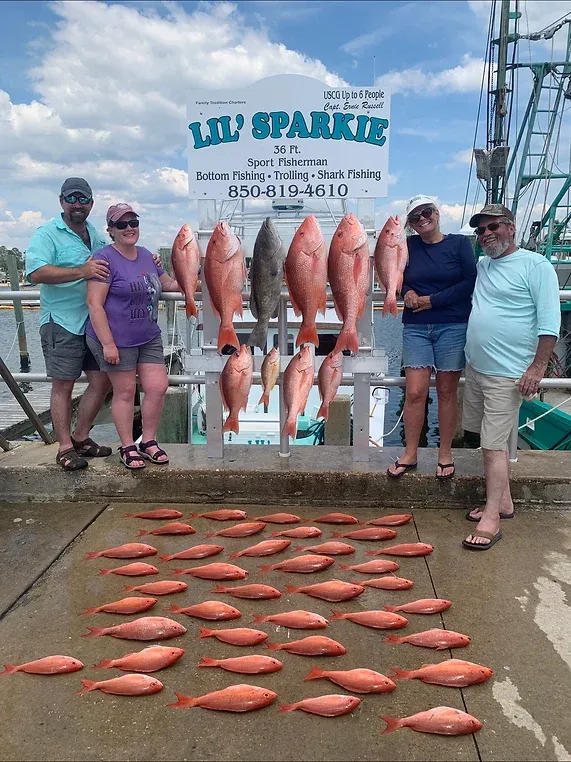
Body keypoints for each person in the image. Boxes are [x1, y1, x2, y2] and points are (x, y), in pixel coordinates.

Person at [462, 203, 561, 550]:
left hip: (508, 374)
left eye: (494, 227)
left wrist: (537, 367)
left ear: (512, 228)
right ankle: (503, 502)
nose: (487, 234)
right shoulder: (483, 264)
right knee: (487, 440)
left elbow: (550, 322)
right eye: (481, 230)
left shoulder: (536, 265)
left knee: (492, 446)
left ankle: (492, 517)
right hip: (476, 367)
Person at [25, 177, 112, 471]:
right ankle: (63, 448)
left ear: (91, 203)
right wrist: (81, 271)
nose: (77, 204)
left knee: (101, 381)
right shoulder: (47, 233)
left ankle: (81, 438)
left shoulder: (97, 235)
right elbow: (36, 273)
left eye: (83, 199)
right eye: (71, 198)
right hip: (61, 322)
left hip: (94, 321)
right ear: (61, 201)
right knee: (63, 385)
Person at [388, 194, 477, 480]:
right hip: (415, 327)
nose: (422, 218)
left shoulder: (460, 244)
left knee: (447, 392)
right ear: (411, 225)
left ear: (437, 213)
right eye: (415, 217)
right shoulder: (406, 245)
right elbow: (395, 276)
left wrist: (432, 300)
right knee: (415, 392)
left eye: (426, 212)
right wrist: (408, 293)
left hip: (452, 326)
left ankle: (445, 454)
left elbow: (469, 282)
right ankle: (410, 453)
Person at [86, 203, 181, 470]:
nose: (129, 228)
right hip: (115, 338)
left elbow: (169, 284)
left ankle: (148, 440)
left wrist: (199, 277)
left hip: (148, 335)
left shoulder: (147, 256)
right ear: (111, 231)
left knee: (157, 387)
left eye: (133, 222)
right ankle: (127, 445)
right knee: (125, 391)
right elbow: (94, 304)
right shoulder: (103, 259)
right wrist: (107, 344)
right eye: (121, 224)